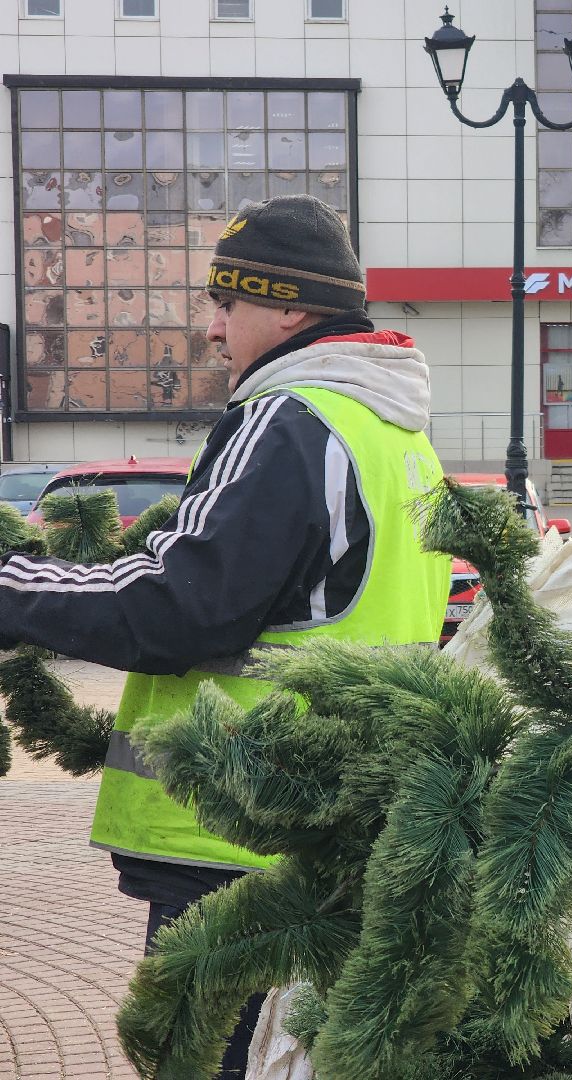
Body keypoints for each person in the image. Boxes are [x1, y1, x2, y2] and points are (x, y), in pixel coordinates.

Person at [0, 194, 450, 1076]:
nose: (212, 329)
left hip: (232, 832)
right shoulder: (396, 432)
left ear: (288, 307)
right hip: (333, 825)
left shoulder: (290, 417)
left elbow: (177, 606)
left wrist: (9, 585)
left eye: (226, 303)